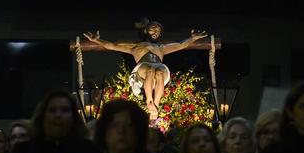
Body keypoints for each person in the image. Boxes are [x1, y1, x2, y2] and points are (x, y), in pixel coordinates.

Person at [78, 19, 212, 109]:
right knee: (150, 69)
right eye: (153, 29)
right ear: (146, 31)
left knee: (158, 70)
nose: (156, 32)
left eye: (158, 31)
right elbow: (112, 45)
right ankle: (149, 100)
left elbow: (181, 45)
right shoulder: (135, 47)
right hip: (143, 73)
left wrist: (192, 38)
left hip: (158, 72)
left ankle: (156, 104)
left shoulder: (162, 48)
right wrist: (97, 40)